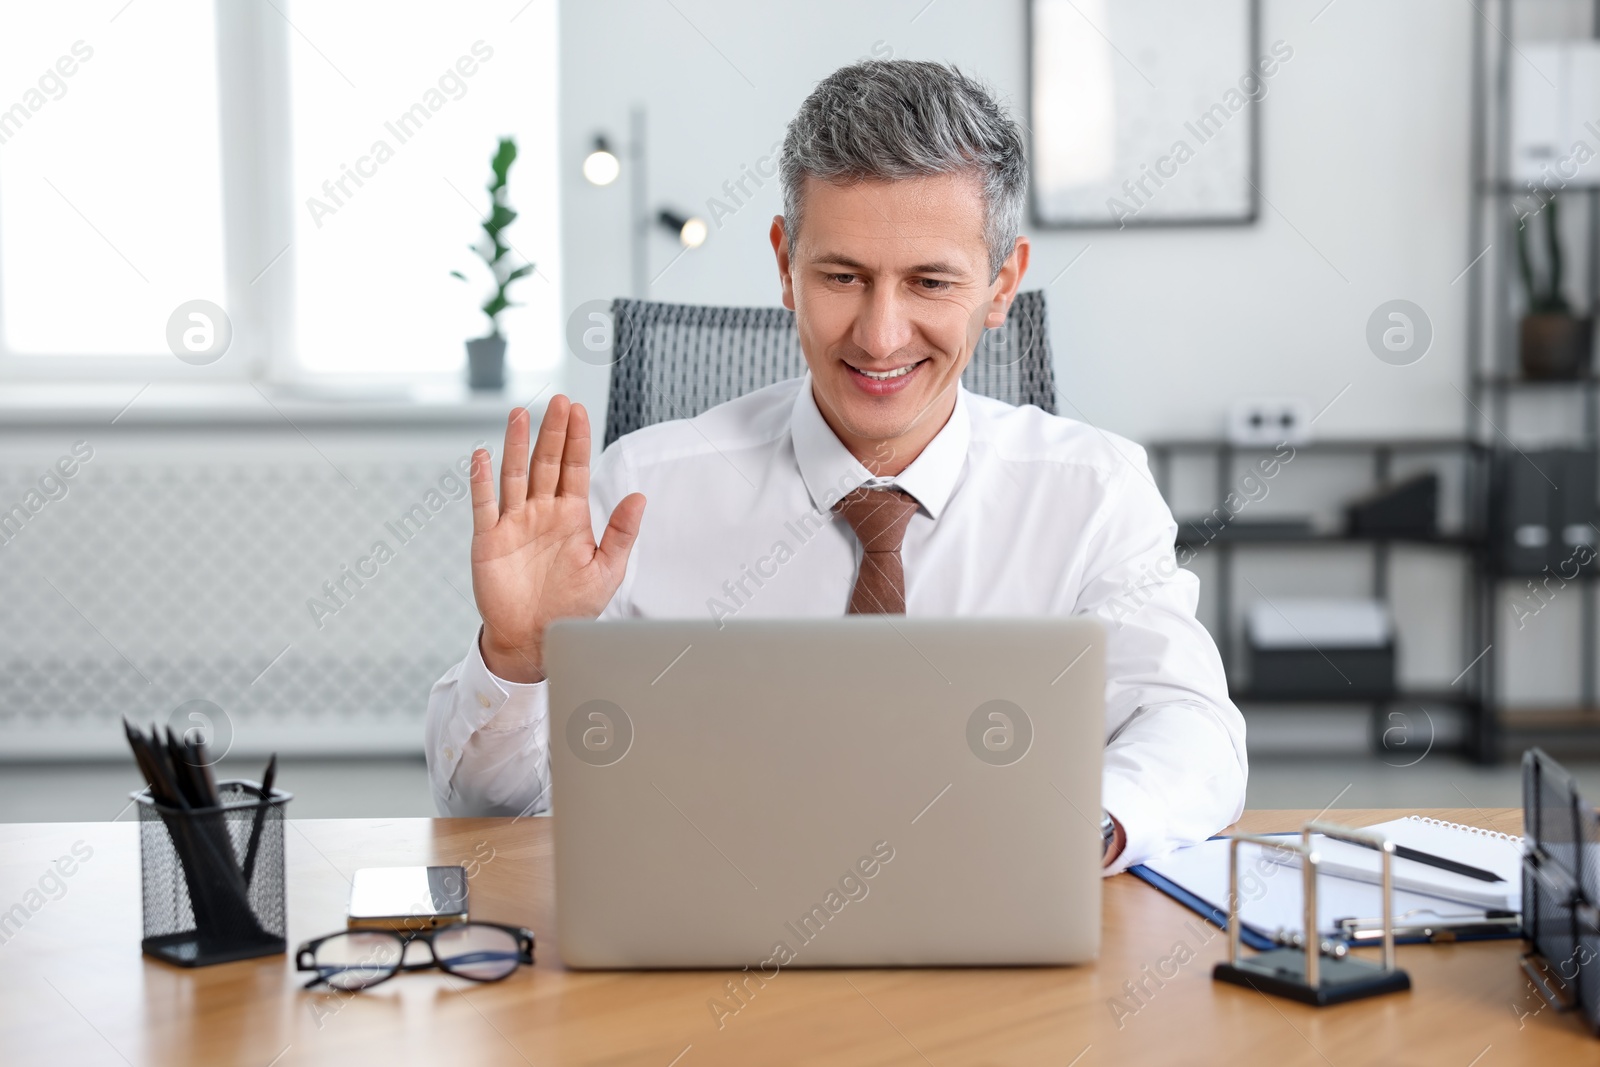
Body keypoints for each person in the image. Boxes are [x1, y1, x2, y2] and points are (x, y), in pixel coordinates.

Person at [425, 59, 1246, 872]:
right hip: (707, 958)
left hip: (998, 941)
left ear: (1001, 286)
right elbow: (485, 814)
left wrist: (1083, 829)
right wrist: (520, 656)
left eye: (929, 281)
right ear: (785, 263)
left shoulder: (1095, 492)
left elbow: (1193, 729)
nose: (881, 335)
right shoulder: (642, 492)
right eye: (843, 276)